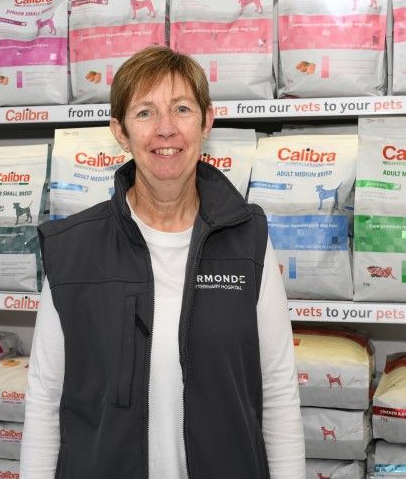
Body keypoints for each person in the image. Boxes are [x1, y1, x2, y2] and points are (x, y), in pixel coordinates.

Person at [20, 46, 305, 479]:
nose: (166, 130)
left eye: (182, 109)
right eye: (145, 113)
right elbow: (45, 399)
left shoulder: (248, 239)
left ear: (207, 121)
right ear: (120, 131)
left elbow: (279, 390)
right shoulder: (73, 249)